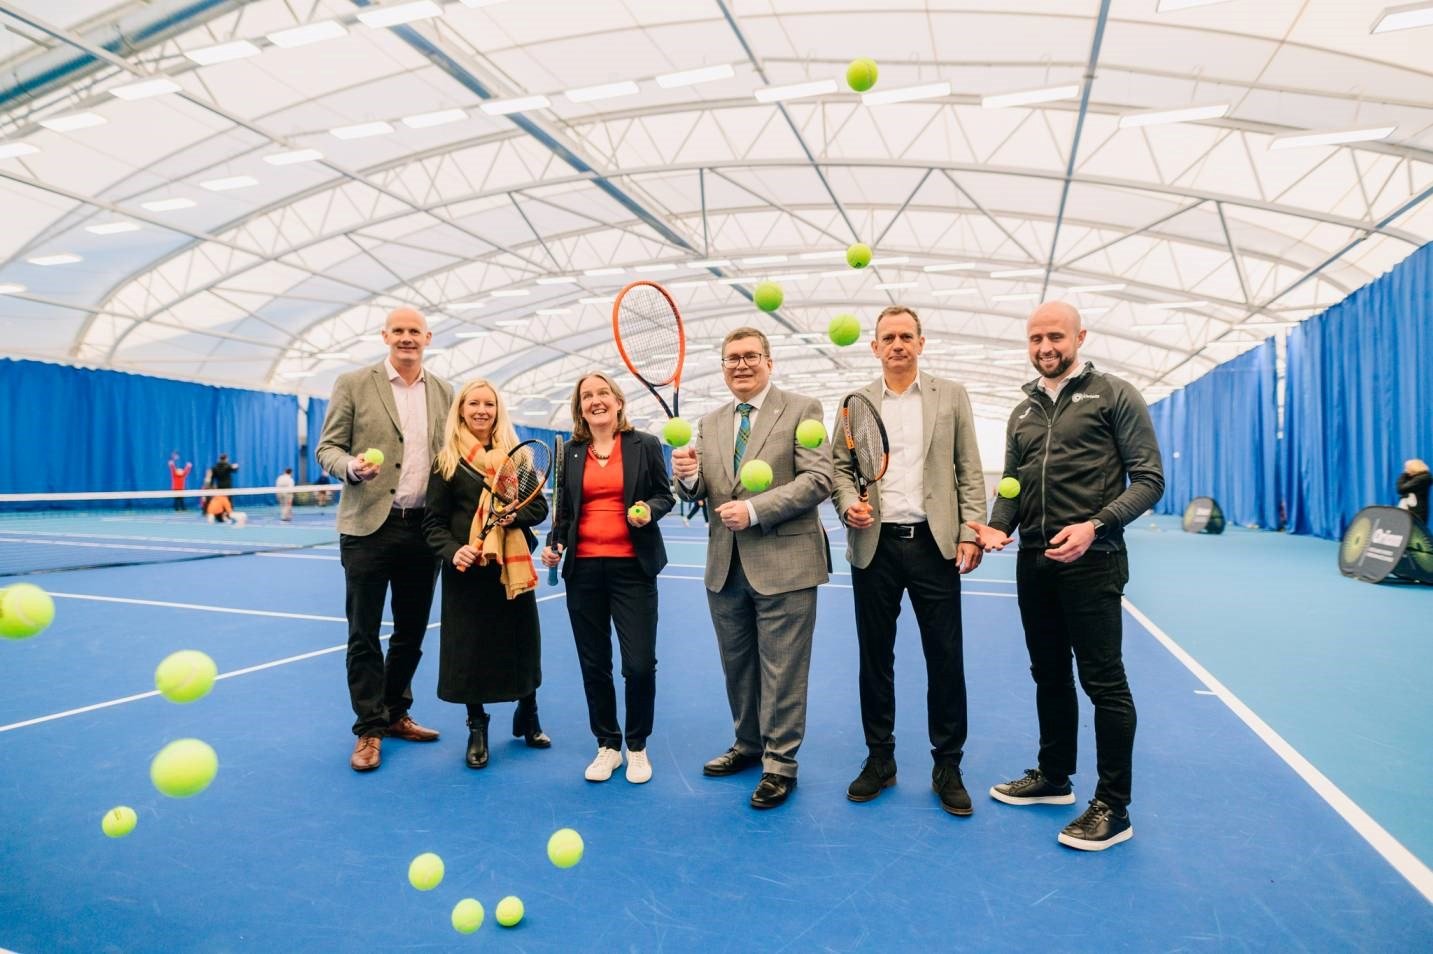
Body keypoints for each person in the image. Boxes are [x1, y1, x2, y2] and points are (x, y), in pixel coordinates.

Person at [966, 300, 1164, 851]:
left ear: (1079, 337)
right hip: (1034, 563)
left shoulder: (1115, 395)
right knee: (1048, 673)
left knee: (1104, 684)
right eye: (1035, 339)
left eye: (1055, 337)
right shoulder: (1023, 411)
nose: (1045, 348)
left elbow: (1149, 479)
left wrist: (1095, 526)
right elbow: (1012, 486)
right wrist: (995, 527)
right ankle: (1054, 778)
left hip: (1094, 561)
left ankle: (1113, 807)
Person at [831, 306, 987, 816]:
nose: (897, 345)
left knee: (946, 658)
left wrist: (970, 533)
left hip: (934, 545)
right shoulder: (855, 402)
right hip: (872, 546)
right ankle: (881, 759)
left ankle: (948, 765)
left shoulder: (952, 396)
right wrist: (846, 501)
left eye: (905, 336)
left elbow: (969, 469)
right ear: (874, 348)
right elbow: (838, 466)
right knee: (875, 659)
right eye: (887, 338)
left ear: (921, 343)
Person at [671, 327, 834, 809]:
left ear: (769, 361)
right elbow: (702, 491)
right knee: (737, 666)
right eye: (731, 359)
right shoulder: (711, 420)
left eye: (750, 356)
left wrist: (757, 510)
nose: (741, 365)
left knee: (782, 669)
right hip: (725, 564)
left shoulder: (804, 410)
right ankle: (747, 744)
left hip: (786, 561)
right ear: (722, 367)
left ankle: (780, 763)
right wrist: (688, 477)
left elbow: (819, 478)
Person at [316, 307, 454, 773]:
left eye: (414, 331)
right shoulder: (354, 383)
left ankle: (395, 713)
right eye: (398, 331)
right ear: (385, 336)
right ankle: (369, 729)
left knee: (412, 633)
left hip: (423, 529)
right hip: (367, 528)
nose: (406, 338)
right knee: (363, 634)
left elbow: (450, 458)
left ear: (428, 338)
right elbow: (327, 448)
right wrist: (351, 467)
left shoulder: (444, 391)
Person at [540, 372, 674, 784]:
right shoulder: (571, 452)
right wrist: (553, 543)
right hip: (583, 572)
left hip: (632, 569)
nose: (595, 400)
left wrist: (648, 510)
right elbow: (564, 511)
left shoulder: (645, 445)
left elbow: (664, 494)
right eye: (587, 396)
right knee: (594, 663)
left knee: (638, 665)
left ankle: (636, 746)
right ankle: (608, 745)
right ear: (580, 408)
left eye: (603, 393)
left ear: (618, 401)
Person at [424, 379, 551, 770]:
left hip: (509, 572)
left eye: (489, 404)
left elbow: (538, 510)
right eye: (473, 403)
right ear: (460, 410)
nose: (482, 410)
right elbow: (433, 524)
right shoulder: (447, 461)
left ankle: (528, 713)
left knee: (521, 644)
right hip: (468, 574)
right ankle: (477, 726)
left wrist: (515, 513)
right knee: (470, 652)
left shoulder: (517, 459)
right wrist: (453, 550)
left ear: (498, 410)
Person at [1397, 459, 1430, 525]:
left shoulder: (1424, 478)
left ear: (1413, 468)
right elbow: (1399, 489)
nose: (1406, 470)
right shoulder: (1411, 477)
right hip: (1408, 510)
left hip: (1417, 511)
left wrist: (1404, 474)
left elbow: (1401, 488)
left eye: (1407, 468)